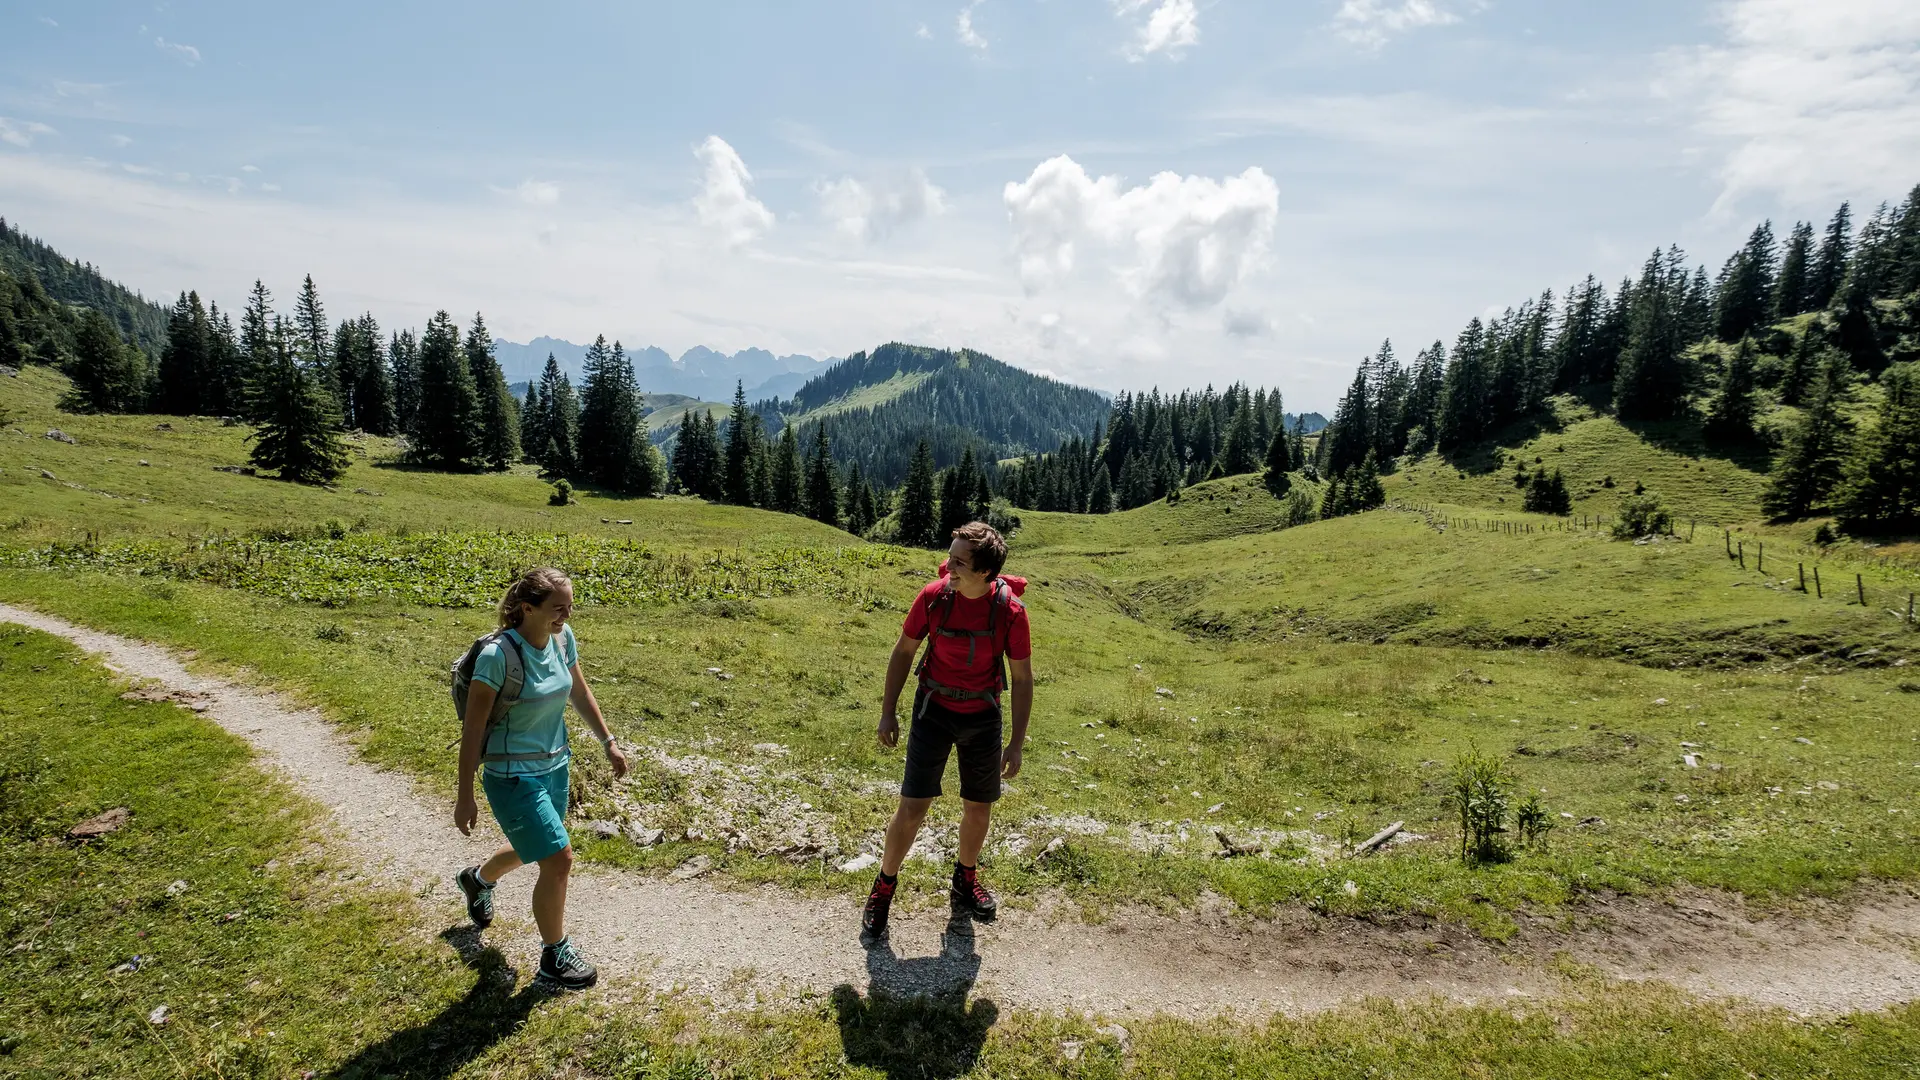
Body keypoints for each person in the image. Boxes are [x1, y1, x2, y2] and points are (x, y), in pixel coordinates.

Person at [452, 567, 628, 990]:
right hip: (511, 775)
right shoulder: (498, 657)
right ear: (526, 609)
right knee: (558, 857)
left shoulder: (562, 639)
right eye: (557, 608)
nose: (565, 615)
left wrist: (608, 741)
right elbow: (473, 731)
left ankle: (478, 879)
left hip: (554, 766)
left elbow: (579, 693)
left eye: (569, 606)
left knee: (540, 846)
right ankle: (554, 955)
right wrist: (464, 795)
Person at [863, 522, 1032, 942]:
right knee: (912, 806)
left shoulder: (1010, 612)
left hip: (983, 717)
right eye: (950, 558)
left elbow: (1023, 678)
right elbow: (903, 651)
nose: (947, 568)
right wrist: (888, 712)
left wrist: (1015, 742)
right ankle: (883, 887)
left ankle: (965, 879)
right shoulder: (934, 597)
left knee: (979, 807)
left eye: (958, 563)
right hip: (932, 710)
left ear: (985, 573)